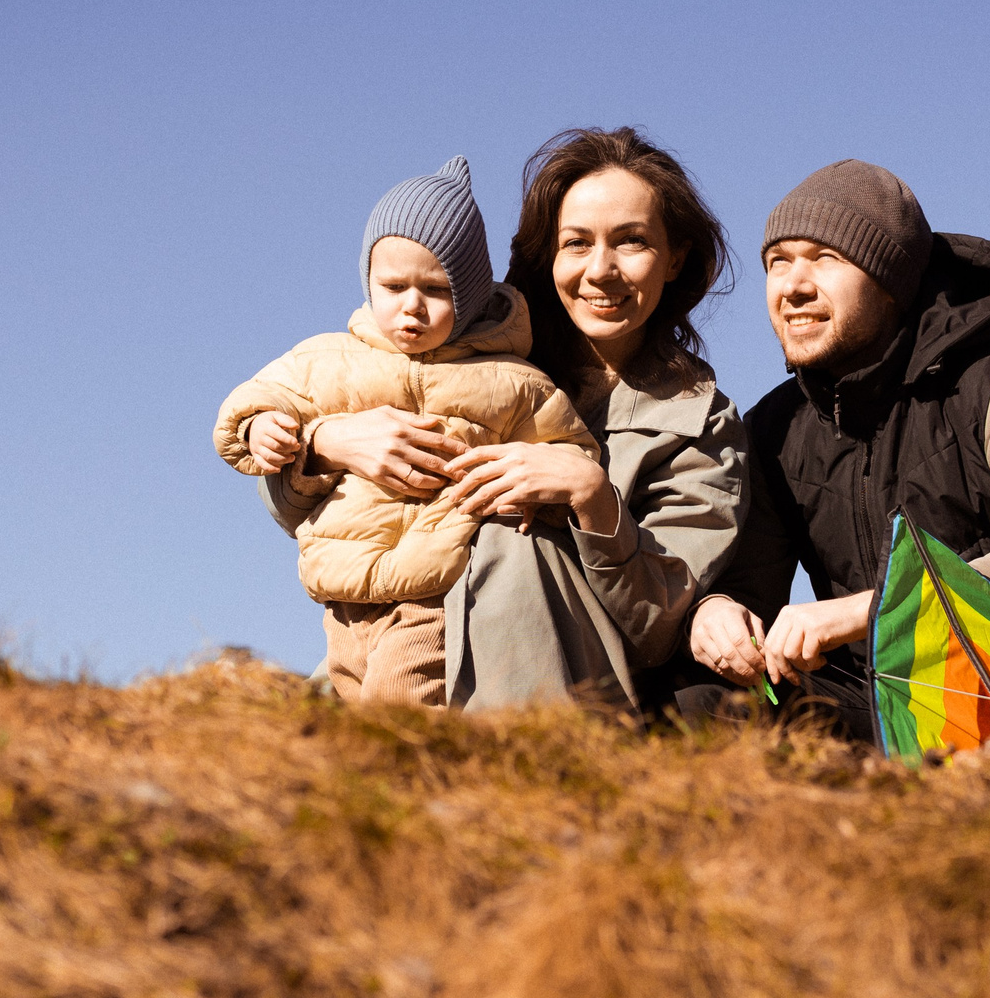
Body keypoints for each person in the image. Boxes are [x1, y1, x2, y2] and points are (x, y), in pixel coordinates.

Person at [261, 128, 747, 709]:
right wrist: (324, 442)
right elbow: (298, 513)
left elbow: (658, 627)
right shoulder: (468, 353)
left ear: (675, 260)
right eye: (576, 243)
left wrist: (593, 497)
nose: (601, 270)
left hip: (565, 697)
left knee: (510, 545)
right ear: (548, 257)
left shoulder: (702, 424)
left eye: (631, 241)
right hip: (384, 653)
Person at [686, 158, 990, 738]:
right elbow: (752, 590)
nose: (793, 286)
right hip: (876, 702)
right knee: (699, 705)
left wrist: (863, 612)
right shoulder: (774, 427)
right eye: (778, 262)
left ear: (892, 283)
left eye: (825, 258)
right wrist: (718, 612)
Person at [216, 156, 598, 707]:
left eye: (436, 289)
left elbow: (570, 453)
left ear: (469, 295)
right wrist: (263, 429)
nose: (411, 307)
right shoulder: (328, 359)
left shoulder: (512, 382)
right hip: (343, 593)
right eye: (392, 286)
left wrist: (532, 497)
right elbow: (256, 399)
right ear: (368, 283)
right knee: (349, 710)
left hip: (435, 589)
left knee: (398, 705)